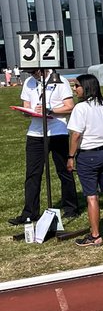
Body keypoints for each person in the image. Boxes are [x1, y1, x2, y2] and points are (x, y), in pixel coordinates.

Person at [9, 67, 80, 226]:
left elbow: (70, 106)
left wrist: (51, 110)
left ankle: (71, 207)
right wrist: (27, 111)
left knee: (63, 170)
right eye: (31, 72)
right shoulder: (29, 82)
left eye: (36, 71)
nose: (34, 75)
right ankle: (30, 212)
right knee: (33, 173)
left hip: (57, 131)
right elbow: (26, 105)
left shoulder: (59, 81)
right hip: (35, 133)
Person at [66, 74, 103, 246]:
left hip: (88, 155)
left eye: (76, 86)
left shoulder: (81, 108)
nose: (74, 89)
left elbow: (76, 135)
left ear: (85, 87)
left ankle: (95, 235)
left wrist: (71, 156)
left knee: (92, 196)